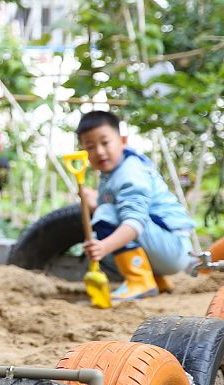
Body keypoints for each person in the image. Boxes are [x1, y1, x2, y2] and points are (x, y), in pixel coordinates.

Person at [78, 111, 194, 299]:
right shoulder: (115, 171)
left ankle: (139, 280)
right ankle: (156, 279)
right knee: (101, 221)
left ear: (123, 140)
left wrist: (104, 246)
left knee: (104, 219)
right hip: (167, 246)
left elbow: (134, 220)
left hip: (173, 248)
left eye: (105, 142)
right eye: (90, 146)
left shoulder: (129, 173)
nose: (99, 151)